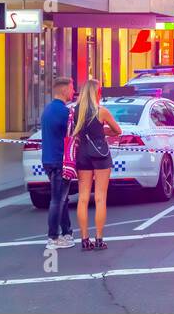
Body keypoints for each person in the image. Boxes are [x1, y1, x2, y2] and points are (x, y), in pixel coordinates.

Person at [72, 79, 122, 251]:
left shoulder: (75, 112)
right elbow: (118, 130)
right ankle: (99, 239)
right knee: (100, 197)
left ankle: (84, 239)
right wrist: (103, 131)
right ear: (97, 93)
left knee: (83, 198)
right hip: (100, 155)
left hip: (83, 155)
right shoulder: (101, 112)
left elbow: (75, 133)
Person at [40, 78, 75, 249]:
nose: (73, 91)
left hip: (48, 159)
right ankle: (53, 237)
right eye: (71, 88)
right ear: (64, 90)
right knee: (57, 200)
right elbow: (74, 134)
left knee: (62, 199)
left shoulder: (47, 110)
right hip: (60, 161)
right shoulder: (65, 113)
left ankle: (66, 233)